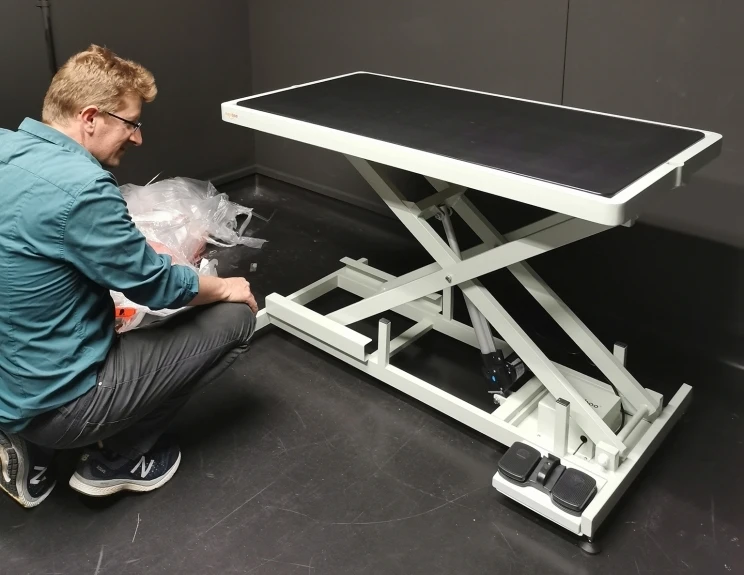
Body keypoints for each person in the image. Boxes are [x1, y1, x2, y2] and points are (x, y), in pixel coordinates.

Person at [0, 45, 258, 508]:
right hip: (62, 405)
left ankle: (29, 450)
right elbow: (159, 288)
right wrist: (224, 286)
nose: (136, 138)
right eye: (131, 123)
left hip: (9, 376)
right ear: (91, 118)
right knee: (234, 318)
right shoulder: (84, 187)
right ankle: (120, 459)